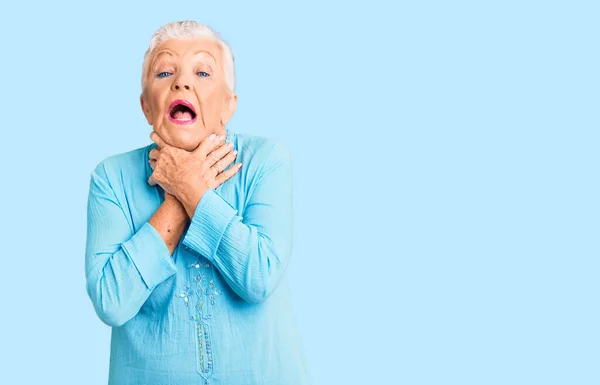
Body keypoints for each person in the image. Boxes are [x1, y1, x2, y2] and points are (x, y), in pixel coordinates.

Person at [85, 20, 310, 385]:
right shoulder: (111, 178)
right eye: (164, 72)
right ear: (146, 106)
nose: (182, 82)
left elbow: (259, 275)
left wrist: (192, 188)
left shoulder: (266, 161)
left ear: (228, 105)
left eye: (203, 71)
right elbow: (112, 300)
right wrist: (181, 191)